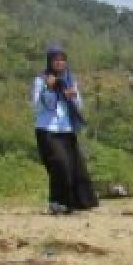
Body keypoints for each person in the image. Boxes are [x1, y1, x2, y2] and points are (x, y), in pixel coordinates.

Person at [32, 45, 97, 214]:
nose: (59, 63)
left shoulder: (70, 80)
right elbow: (36, 107)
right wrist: (50, 90)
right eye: (56, 60)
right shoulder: (41, 80)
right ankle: (56, 202)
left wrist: (73, 96)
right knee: (60, 165)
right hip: (47, 130)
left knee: (74, 167)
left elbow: (79, 105)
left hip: (67, 130)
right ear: (50, 62)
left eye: (62, 60)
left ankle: (72, 204)